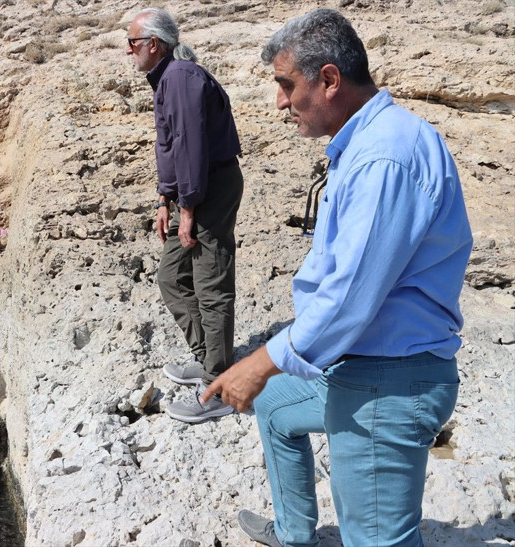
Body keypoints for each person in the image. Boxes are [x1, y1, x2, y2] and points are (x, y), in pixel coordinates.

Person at [201, 8, 472, 547]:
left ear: (328, 79)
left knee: (375, 539)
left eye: (285, 85)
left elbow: (349, 301)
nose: (279, 102)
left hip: (388, 382)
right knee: (278, 408)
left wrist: (258, 363)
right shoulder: (370, 143)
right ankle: (293, 533)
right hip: (362, 365)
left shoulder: (385, 159)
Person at [125, 8, 244, 423]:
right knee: (171, 276)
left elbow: (191, 148)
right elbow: (171, 147)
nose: (129, 51)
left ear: (153, 44)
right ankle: (211, 359)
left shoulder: (178, 77)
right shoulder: (168, 78)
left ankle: (220, 390)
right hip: (197, 190)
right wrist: (165, 200)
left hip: (210, 188)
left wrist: (187, 210)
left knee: (210, 283)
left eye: (133, 43)